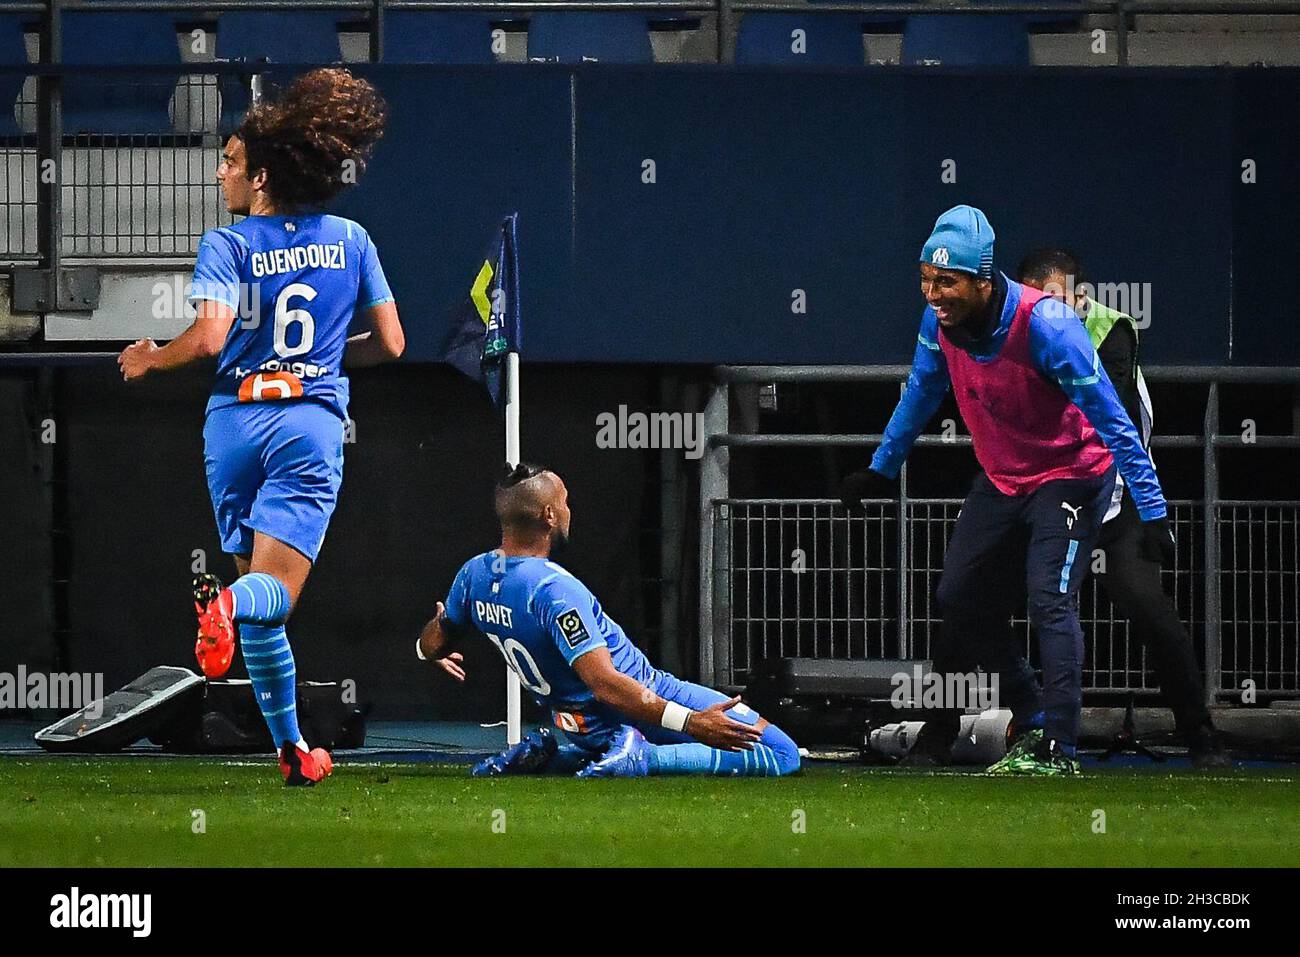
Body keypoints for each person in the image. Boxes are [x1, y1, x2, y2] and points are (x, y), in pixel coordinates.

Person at [117, 68, 405, 786]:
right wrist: (328, 356)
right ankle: (227, 601)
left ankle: (292, 752)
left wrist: (155, 354)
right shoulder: (352, 239)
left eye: (231, 162)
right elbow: (393, 344)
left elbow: (209, 341)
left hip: (231, 425)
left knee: (263, 622)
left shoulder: (229, 245)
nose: (222, 173)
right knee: (266, 598)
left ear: (264, 176)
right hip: (306, 423)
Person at [838, 205, 1172, 775]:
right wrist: (881, 468)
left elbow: (1115, 422)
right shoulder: (939, 327)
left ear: (984, 281)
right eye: (925, 278)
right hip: (1002, 477)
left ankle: (1060, 750)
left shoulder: (1048, 327)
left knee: (1048, 599)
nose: (932, 293)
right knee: (959, 600)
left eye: (946, 282)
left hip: (1071, 472)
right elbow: (919, 394)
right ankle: (1034, 713)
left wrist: (1152, 507)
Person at [417, 464, 801, 778]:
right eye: (565, 501)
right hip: (636, 701)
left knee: (644, 736)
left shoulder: (475, 575)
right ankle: (642, 757)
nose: (570, 509)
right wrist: (691, 722)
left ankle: (551, 759)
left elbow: (436, 641)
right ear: (549, 515)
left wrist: (429, 649)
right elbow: (606, 685)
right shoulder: (553, 589)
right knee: (783, 754)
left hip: (580, 726)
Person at [1017, 248, 1228, 767]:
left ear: (1081, 299)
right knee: (976, 596)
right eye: (1033, 301)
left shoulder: (1111, 330)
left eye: (1053, 301)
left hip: (1116, 500)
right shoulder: (1015, 331)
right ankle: (974, 726)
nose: (1042, 313)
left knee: (1150, 611)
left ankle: (1200, 734)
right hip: (1050, 495)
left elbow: (1108, 418)